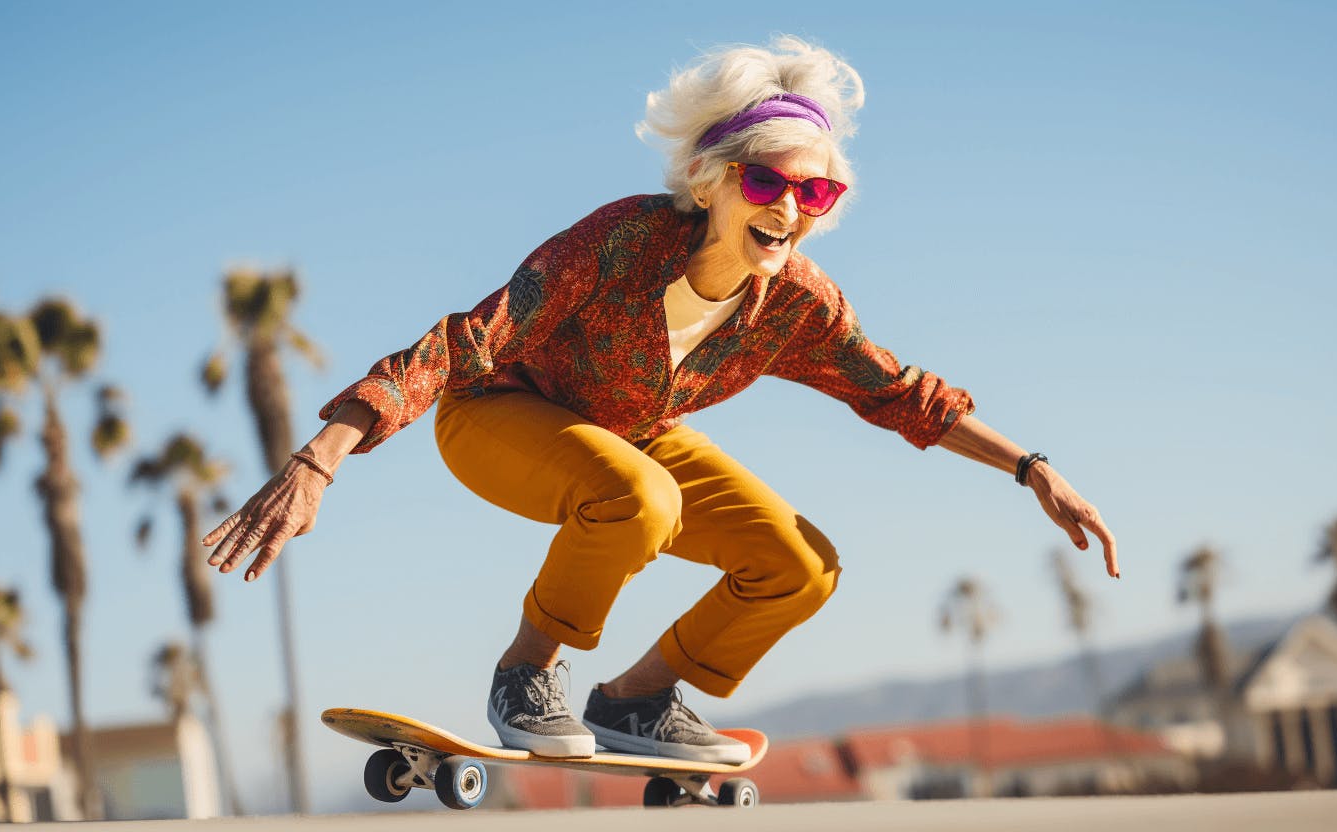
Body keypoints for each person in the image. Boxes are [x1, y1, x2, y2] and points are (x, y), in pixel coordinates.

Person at [203, 36, 1118, 765]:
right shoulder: (626, 240)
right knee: (642, 497)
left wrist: (1033, 469)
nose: (790, 209)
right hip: (496, 413)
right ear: (715, 180)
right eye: (768, 182)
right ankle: (527, 674)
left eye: (815, 190)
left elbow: (898, 394)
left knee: (802, 565)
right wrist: (320, 455)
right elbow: (466, 341)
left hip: (633, 437)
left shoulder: (799, 302)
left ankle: (636, 700)